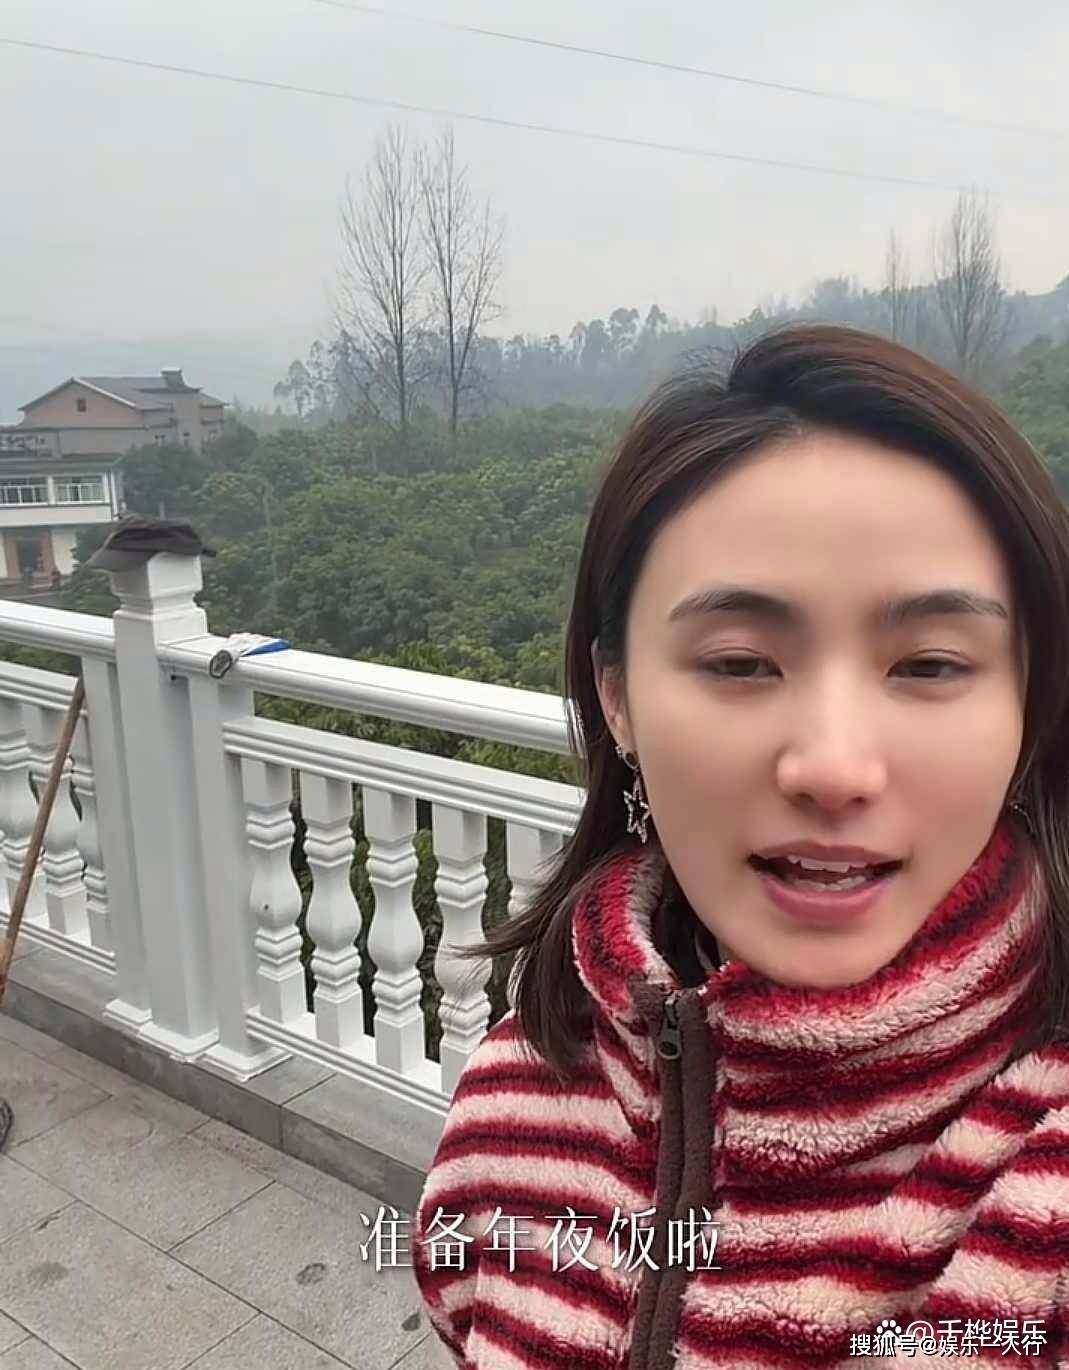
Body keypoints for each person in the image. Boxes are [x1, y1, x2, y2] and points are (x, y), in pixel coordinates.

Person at [411, 324, 1069, 1368]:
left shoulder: (1038, 1176)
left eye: (930, 664)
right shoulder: (516, 1098)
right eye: (740, 662)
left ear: (1029, 702)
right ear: (617, 696)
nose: (833, 767)